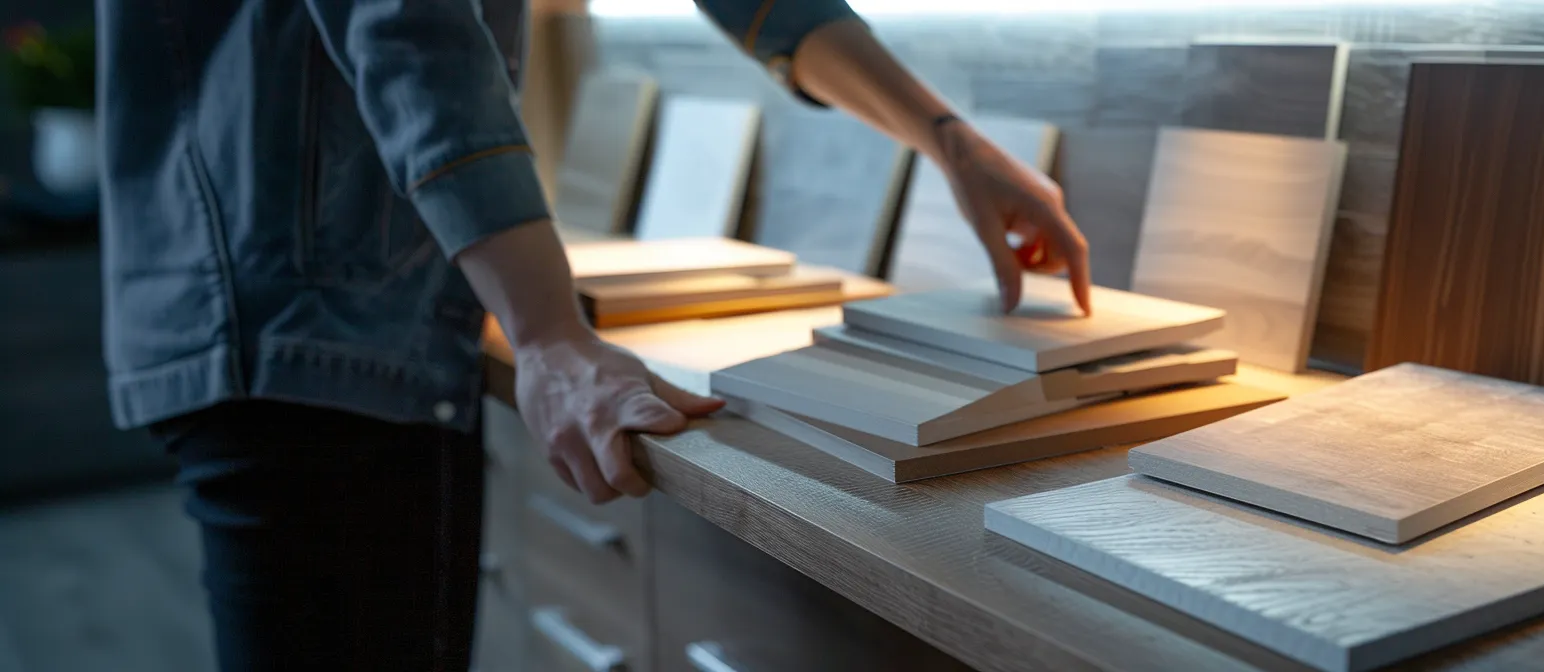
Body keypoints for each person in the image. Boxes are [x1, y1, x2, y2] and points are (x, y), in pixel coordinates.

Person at [97, 0, 1090, 670]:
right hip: (311, 325)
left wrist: (947, 139)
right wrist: (547, 334)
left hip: (312, 310)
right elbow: (409, 25)